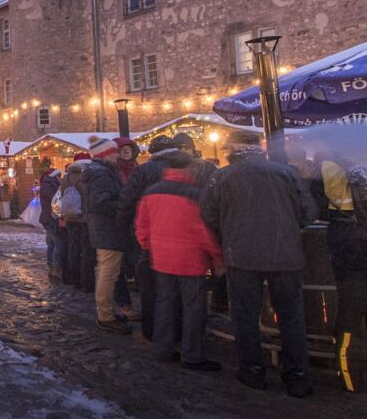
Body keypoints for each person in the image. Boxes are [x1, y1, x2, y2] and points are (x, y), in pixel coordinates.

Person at [201, 131, 316, 396]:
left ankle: (252, 372)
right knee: (291, 317)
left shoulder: (222, 176)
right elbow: (308, 212)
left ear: (232, 148)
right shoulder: (286, 173)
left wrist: (230, 229)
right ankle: (298, 377)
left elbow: (208, 214)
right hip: (286, 255)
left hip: (242, 255)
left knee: (245, 316)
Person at [135, 151, 224, 371]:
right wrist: (217, 256)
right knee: (193, 308)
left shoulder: (152, 191)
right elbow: (203, 231)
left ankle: (163, 348)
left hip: (161, 257)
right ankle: (192, 354)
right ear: (188, 168)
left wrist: (147, 245)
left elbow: (142, 223)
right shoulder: (194, 194)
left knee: (165, 303)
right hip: (190, 259)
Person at [307, 147, 367, 393]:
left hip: (347, 245)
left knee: (349, 314)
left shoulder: (327, 167)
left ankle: (351, 378)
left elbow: (314, 207)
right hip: (355, 242)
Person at [116, 135, 179, 341]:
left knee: (151, 284)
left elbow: (127, 200)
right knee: (181, 286)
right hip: (182, 234)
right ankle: (181, 330)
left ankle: (152, 330)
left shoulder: (143, 171)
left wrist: (123, 225)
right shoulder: (191, 168)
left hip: (150, 235)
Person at [83, 139, 132, 334]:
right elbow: (101, 203)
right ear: (105, 154)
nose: (117, 155)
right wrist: (124, 205)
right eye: (114, 152)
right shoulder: (102, 174)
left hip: (105, 229)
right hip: (107, 229)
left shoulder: (101, 172)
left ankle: (107, 311)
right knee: (108, 273)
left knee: (108, 272)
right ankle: (105, 316)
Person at [60, 154, 92, 292]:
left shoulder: (66, 177)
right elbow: (88, 194)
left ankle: (75, 279)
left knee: (73, 248)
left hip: (70, 218)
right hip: (84, 218)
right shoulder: (86, 176)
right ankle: (87, 282)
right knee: (86, 251)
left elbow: (62, 193)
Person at [37, 167, 63, 281]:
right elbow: (56, 202)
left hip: (47, 218)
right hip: (52, 218)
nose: (60, 178)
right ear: (54, 176)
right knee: (57, 243)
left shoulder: (46, 186)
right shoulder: (50, 187)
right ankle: (55, 268)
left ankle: (52, 267)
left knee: (51, 243)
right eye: (58, 176)